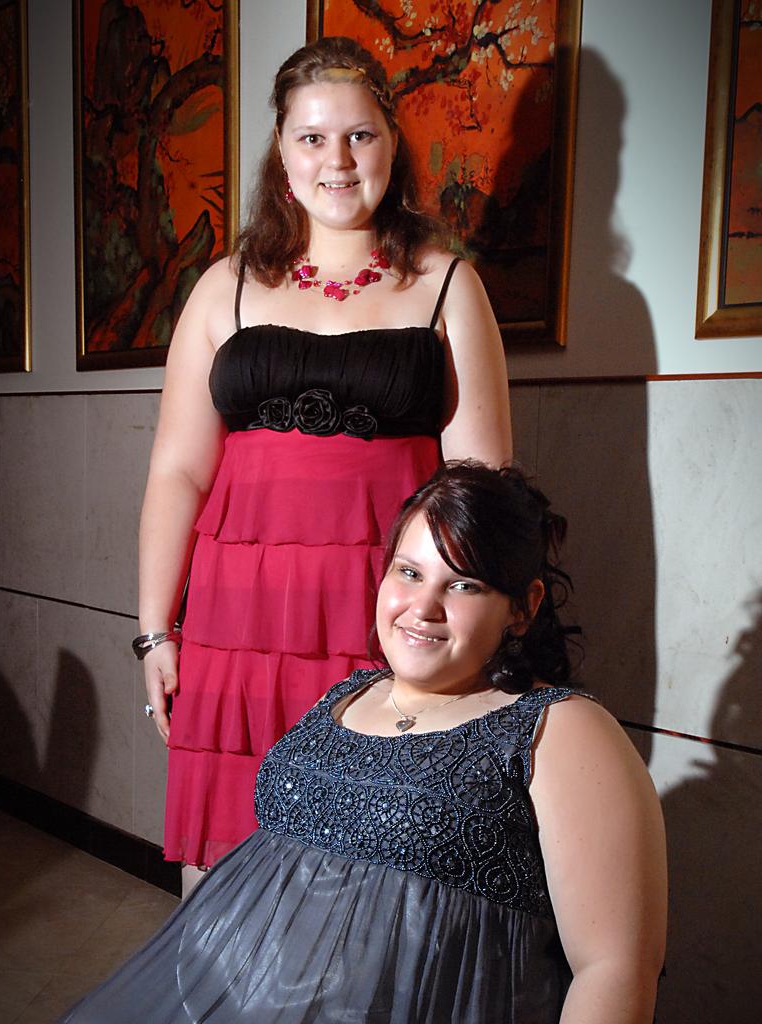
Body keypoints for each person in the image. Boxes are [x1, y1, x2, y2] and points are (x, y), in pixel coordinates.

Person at [64, 462, 667, 1024]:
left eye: (463, 587)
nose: (422, 608)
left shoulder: (560, 728)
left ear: (523, 607)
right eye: (408, 573)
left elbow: (615, 968)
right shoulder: (350, 693)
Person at [135, 36, 513, 894]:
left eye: (360, 136)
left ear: (392, 144)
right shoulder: (222, 286)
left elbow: (484, 487)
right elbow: (176, 473)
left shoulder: (447, 283)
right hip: (237, 617)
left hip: (379, 610)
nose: (336, 161)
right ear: (280, 150)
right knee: (227, 859)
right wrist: (158, 629)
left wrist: (459, 638)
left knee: (368, 858)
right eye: (312, 138)